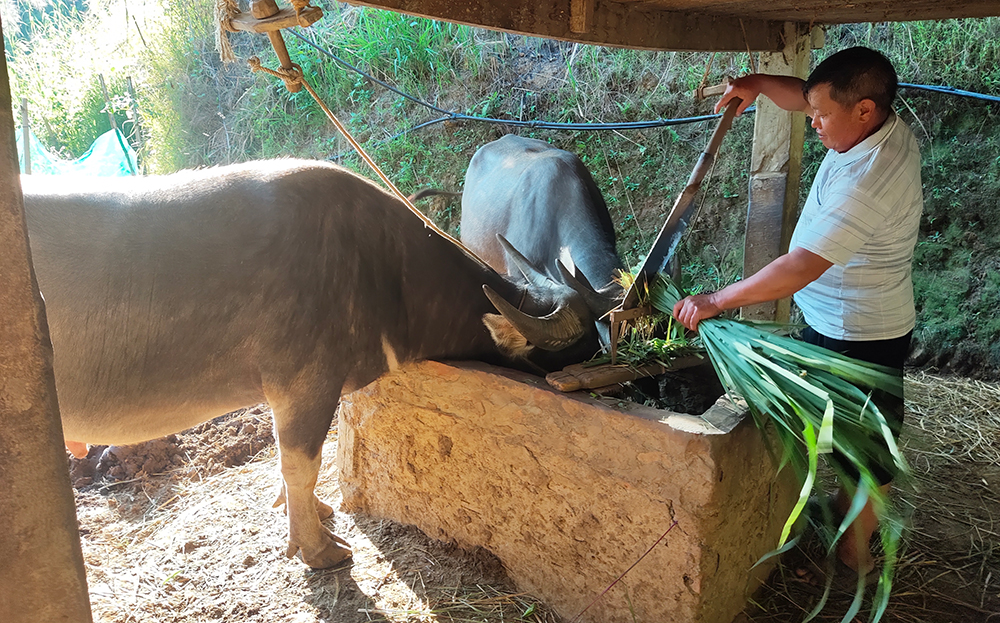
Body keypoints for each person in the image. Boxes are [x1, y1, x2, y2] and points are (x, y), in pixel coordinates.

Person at [672, 46, 922, 576]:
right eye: (811, 112)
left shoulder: (872, 177)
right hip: (831, 319)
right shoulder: (863, 122)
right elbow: (810, 97)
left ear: (864, 111)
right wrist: (760, 83)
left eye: (821, 117)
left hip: (861, 332)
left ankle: (854, 552)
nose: (812, 124)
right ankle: (840, 511)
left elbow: (801, 267)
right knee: (835, 427)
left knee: (869, 451)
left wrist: (715, 301)